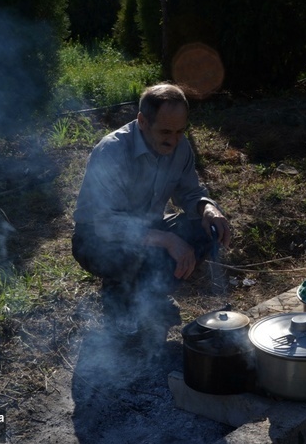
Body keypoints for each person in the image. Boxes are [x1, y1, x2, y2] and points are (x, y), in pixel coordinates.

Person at [71, 83, 231, 349]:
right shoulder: (112, 152)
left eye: (180, 131)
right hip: (97, 239)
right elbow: (106, 224)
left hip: (150, 228)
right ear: (143, 121)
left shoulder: (180, 147)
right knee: (129, 254)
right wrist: (167, 240)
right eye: (166, 131)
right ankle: (119, 303)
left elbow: (191, 193)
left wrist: (209, 209)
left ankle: (152, 295)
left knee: (204, 231)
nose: (174, 139)